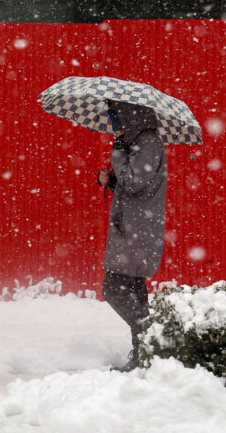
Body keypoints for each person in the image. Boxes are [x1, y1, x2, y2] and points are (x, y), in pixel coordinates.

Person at [97, 100, 167, 372]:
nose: (114, 118)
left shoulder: (148, 143)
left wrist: (118, 152)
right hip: (133, 229)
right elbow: (130, 186)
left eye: (116, 112)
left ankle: (149, 342)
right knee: (134, 292)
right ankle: (144, 355)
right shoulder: (140, 141)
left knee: (113, 289)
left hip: (137, 233)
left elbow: (133, 182)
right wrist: (111, 180)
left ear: (131, 114)